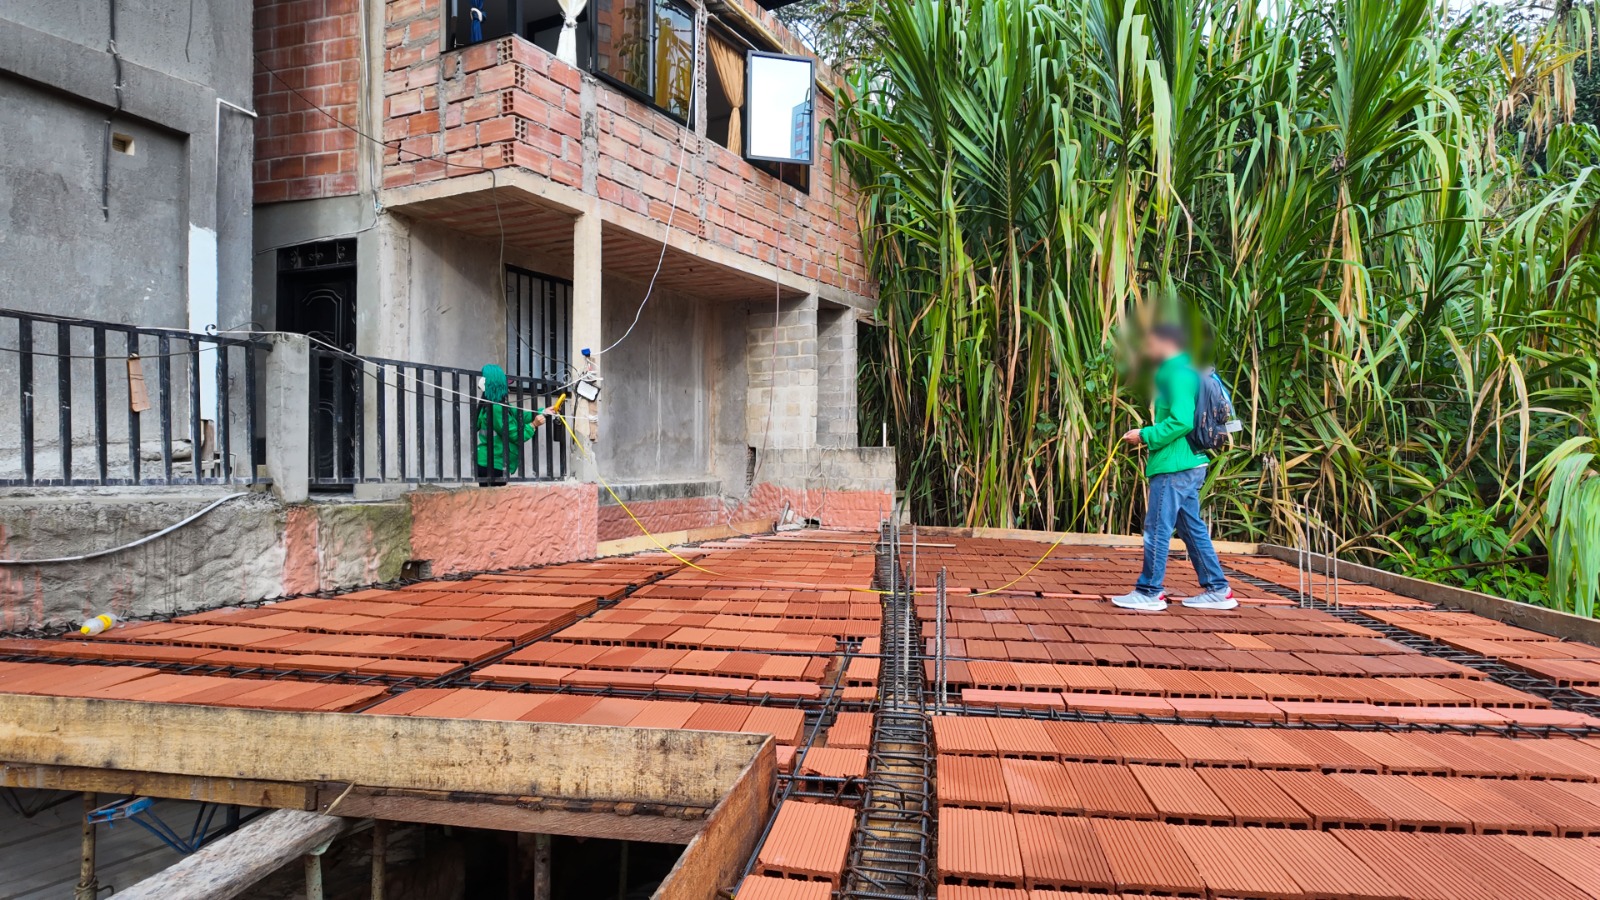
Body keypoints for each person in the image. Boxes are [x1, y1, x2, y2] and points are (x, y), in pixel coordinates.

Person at [1110, 324, 1236, 611]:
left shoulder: (1175, 373)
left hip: (1174, 466)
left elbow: (1182, 421)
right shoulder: (1191, 370)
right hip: (1192, 462)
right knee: (1192, 529)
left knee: (1157, 528)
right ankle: (1218, 589)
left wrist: (1144, 435)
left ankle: (1150, 591)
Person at [475, 364, 546, 487]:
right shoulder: (496, 407)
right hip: (493, 464)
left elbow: (520, 414)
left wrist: (543, 411)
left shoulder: (495, 404)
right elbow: (514, 435)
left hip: (490, 462)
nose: (507, 388)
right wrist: (533, 425)